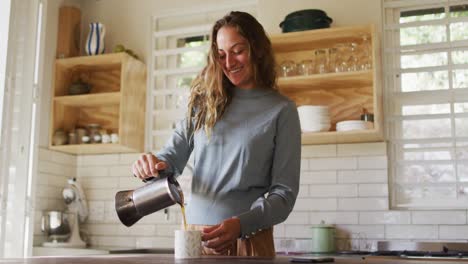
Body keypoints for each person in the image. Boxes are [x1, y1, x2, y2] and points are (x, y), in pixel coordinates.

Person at [132, 11, 301, 257]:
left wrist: (242, 225)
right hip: (195, 239)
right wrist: (151, 164)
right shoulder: (204, 103)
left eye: (238, 50)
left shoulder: (281, 110)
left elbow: (284, 194)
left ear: (258, 49)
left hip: (249, 239)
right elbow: (170, 158)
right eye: (221, 55)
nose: (229, 63)